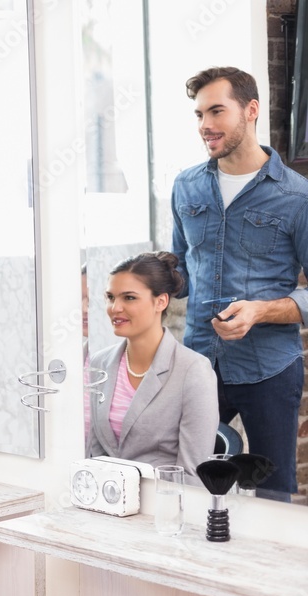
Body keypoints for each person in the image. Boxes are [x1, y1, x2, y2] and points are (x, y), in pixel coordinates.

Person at [171, 66, 308, 495]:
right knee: (188, 481)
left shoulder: (297, 197)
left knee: (273, 493)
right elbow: (180, 271)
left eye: (216, 111)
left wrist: (261, 310)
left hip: (268, 369)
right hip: (197, 364)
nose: (205, 126)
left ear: (251, 110)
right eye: (198, 115)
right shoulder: (186, 186)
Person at [88, 252, 218, 478]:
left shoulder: (194, 370)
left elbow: (192, 474)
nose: (115, 308)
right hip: (105, 501)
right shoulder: (100, 362)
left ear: (161, 301)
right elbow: (94, 452)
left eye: (129, 298)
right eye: (110, 297)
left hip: (164, 504)